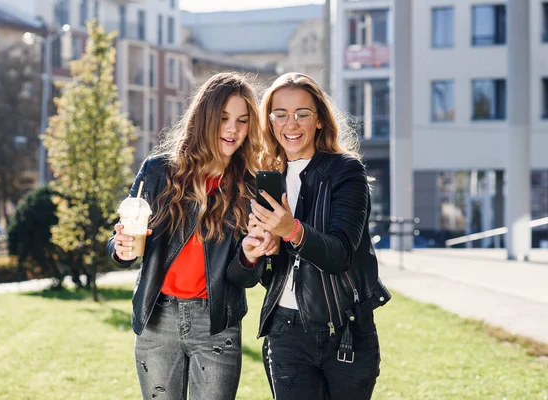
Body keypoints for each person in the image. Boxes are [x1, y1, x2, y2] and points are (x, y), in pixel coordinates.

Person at [106, 72, 276, 400]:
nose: (233, 129)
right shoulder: (158, 172)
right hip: (158, 318)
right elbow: (120, 237)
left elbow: (245, 277)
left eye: (242, 120)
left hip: (216, 323)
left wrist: (251, 256)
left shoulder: (250, 186)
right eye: (224, 118)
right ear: (204, 118)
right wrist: (121, 249)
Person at [228, 72, 392, 400]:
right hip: (285, 333)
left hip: (345, 332)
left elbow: (340, 253)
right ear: (269, 121)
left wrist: (290, 230)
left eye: (302, 114)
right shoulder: (261, 181)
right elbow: (241, 277)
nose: (292, 124)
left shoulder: (346, 172)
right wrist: (252, 254)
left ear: (319, 120)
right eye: (280, 115)